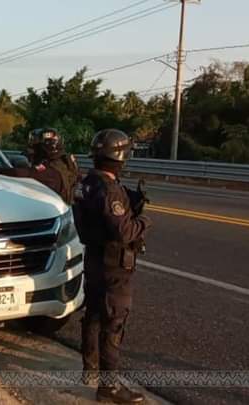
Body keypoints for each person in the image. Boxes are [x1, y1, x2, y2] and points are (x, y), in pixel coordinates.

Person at [72, 129, 151, 403]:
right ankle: (109, 387)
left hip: (95, 259)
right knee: (113, 323)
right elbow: (124, 232)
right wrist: (144, 222)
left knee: (94, 314)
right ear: (119, 157)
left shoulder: (87, 183)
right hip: (113, 265)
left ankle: (90, 369)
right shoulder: (109, 190)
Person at [5, 128, 80, 204]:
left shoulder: (51, 167)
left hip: (54, 206)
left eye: (36, 146)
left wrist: (0, 171)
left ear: (45, 146)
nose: (32, 150)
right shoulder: (66, 161)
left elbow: (27, 173)